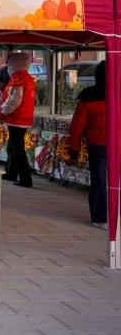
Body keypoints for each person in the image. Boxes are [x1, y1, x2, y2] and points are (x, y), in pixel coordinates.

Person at [69, 60, 107, 229]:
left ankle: (101, 218)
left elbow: (77, 126)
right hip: (116, 145)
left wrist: (74, 147)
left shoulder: (88, 96)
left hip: (98, 145)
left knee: (99, 181)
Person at [0, 52, 36, 188]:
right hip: (23, 118)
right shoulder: (27, 77)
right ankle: (11, 173)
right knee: (13, 147)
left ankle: (25, 179)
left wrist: (3, 112)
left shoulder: (17, 78)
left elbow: (14, 100)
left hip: (16, 118)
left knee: (17, 149)